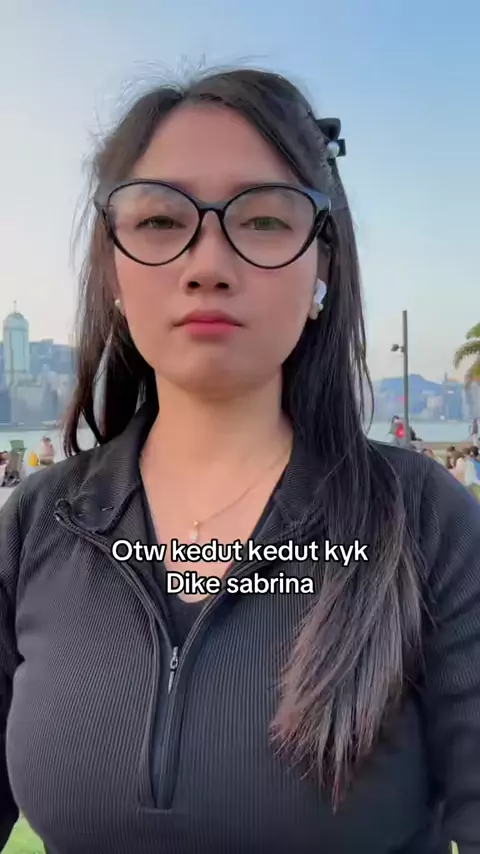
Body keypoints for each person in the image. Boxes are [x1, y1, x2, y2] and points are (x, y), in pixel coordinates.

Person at [1, 68, 480, 854]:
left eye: (261, 219)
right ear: (114, 268)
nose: (208, 263)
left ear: (322, 267)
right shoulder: (37, 529)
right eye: (160, 220)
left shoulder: (425, 523)